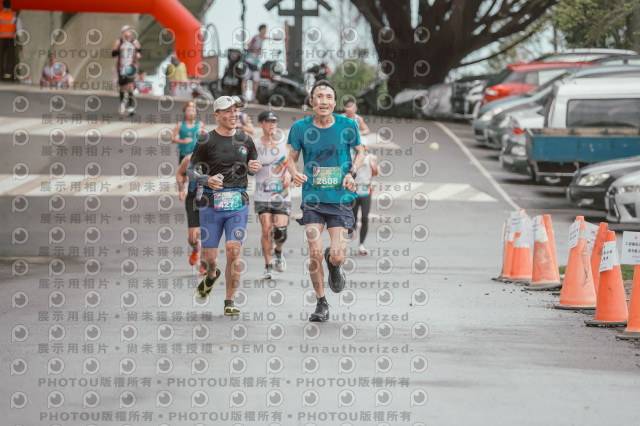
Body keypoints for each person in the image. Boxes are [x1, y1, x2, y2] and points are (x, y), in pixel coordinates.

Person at [287, 80, 365, 322]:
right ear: (311, 101)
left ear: (334, 102)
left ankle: (334, 263)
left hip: (340, 198)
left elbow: (361, 151)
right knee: (314, 253)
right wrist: (294, 173)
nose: (324, 101)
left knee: (338, 255)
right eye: (319, 96)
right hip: (312, 198)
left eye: (328, 97)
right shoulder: (300, 128)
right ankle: (321, 302)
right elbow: (291, 157)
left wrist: (352, 174)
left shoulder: (347, 125)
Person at [187, 95, 261, 316]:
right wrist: (206, 179)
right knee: (208, 258)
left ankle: (230, 300)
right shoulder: (206, 140)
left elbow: (252, 166)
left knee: (233, 250)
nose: (233, 114)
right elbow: (191, 170)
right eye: (228, 111)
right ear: (217, 115)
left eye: (235, 110)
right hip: (211, 204)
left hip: (238, 202)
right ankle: (212, 275)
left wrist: (253, 168)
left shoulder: (245, 139)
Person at [253, 111, 291, 279]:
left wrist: (289, 173)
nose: (272, 125)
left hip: (282, 194)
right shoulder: (255, 145)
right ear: (261, 124)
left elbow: (292, 164)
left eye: (274, 122)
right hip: (262, 194)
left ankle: (278, 251)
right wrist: (252, 167)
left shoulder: (285, 144)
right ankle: (268, 266)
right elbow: (248, 167)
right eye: (268, 122)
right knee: (266, 229)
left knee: (280, 231)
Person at [176, 153, 206, 276]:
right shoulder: (189, 159)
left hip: (210, 202)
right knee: (193, 238)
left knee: (208, 235)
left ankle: (204, 264)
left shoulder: (217, 158)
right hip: (193, 201)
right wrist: (181, 189)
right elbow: (179, 173)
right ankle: (196, 247)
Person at [350, 139, 379, 255]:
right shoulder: (351, 157)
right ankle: (348, 237)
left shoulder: (372, 157)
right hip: (353, 190)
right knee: (352, 218)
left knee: (365, 218)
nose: (363, 147)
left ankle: (361, 244)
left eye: (365, 146)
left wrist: (374, 168)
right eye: (361, 145)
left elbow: (377, 172)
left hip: (366, 191)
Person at [244, 24, 279, 102]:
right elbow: (248, 44)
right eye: (264, 30)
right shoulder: (255, 38)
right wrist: (253, 49)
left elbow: (270, 38)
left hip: (255, 63)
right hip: (249, 61)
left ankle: (252, 97)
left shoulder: (262, 38)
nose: (265, 31)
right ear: (261, 30)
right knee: (245, 80)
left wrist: (281, 38)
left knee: (256, 80)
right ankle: (244, 97)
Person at [112, 25, 141, 115]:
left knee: (130, 85)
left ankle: (131, 106)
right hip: (121, 67)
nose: (128, 32)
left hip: (131, 67)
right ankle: (122, 104)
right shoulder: (119, 42)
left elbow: (140, 51)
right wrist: (119, 50)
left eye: (129, 30)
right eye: (126, 31)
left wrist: (138, 54)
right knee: (122, 87)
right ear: (123, 32)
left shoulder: (134, 42)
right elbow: (113, 54)